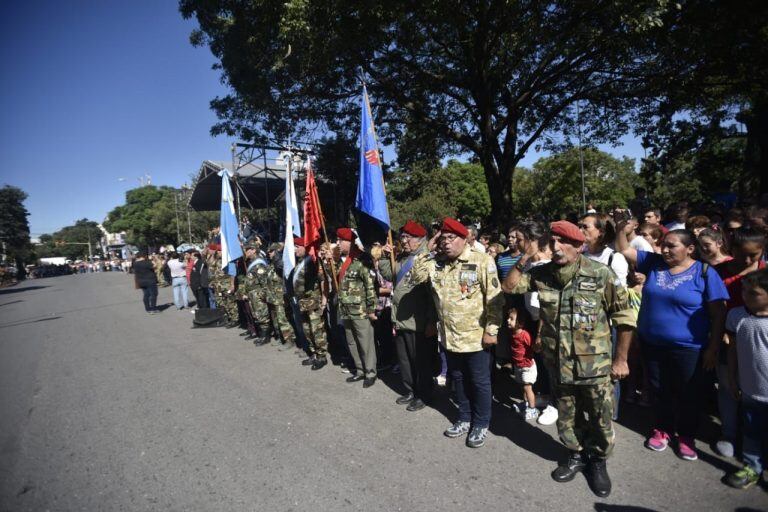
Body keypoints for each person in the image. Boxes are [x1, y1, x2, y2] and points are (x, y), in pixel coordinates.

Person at [503, 220, 635, 498]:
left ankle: (597, 462)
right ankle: (575, 454)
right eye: (552, 241)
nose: (556, 247)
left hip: (594, 364)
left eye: (563, 242)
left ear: (579, 246)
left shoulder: (601, 274)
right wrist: (525, 257)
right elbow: (510, 287)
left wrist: (621, 359)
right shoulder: (543, 273)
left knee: (600, 415)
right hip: (557, 361)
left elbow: (624, 319)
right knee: (567, 413)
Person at [615, 225, 728, 462]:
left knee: (688, 393)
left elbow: (719, 314)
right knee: (659, 389)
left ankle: (686, 436)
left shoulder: (705, 272)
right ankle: (662, 429)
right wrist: (620, 228)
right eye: (663, 244)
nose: (664, 249)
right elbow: (624, 249)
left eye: (671, 245)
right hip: (652, 344)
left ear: (689, 249)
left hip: (690, 348)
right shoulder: (654, 263)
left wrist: (713, 347)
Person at [411, 217, 504, 449]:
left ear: (464, 239)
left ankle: (481, 423)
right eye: (443, 239)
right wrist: (427, 249)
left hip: (475, 336)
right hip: (450, 336)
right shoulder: (437, 263)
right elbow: (416, 277)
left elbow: (495, 299)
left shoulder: (481, 261)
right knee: (458, 380)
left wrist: (491, 330)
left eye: (451, 238)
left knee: (480, 382)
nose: (446, 243)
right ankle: (464, 417)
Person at [713, 227, 766, 458]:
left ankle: (753, 437)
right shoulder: (717, 272)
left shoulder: (765, 274)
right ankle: (729, 433)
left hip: (759, 342)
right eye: (741, 254)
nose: (746, 260)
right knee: (728, 387)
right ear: (731, 250)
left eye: (753, 255)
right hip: (727, 339)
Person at [380, 220, 437, 412]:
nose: (403, 241)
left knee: (421, 361)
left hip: (419, 322)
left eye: (407, 237)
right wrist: (384, 257)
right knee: (405, 360)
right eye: (402, 237)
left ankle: (424, 394)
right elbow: (389, 274)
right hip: (401, 319)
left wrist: (431, 321)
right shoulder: (403, 258)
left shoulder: (426, 260)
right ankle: (411, 390)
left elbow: (433, 296)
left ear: (419, 239)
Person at [724, 268, 768, 489]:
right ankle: (752, 467)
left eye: (754, 293)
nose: (746, 296)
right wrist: (732, 378)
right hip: (750, 390)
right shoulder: (736, 316)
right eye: (744, 291)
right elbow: (732, 350)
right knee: (751, 432)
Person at [332, 228, 378, 386]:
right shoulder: (345, 260)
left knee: (365, 343)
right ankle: (360, 370)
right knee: (352, 342)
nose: (337, 244)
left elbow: (371, 287)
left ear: (348, 241)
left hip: (360, 310)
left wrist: (371, 309)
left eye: (340, 240)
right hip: (346, 309)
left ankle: (370, 372)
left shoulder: (362, 259)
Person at [293, 238, 329, 370]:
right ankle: (313, 352)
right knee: (307, 329)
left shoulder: (313, 262)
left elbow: (323, 280)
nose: (295, 249)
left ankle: (321, 356)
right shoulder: (300, 262)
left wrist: (324, 300)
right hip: (303, 302)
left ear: (305, 247)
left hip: (313, 301)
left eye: (298, 246)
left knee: (316, 329)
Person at [265, 243, 297, 350]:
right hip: (272, 297)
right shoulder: (271, 264)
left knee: (283, 319)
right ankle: (281, 337)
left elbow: (284, 268)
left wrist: (278, 258)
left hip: (280, 297)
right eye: (268, 252)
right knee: (276, 320)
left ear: (277, 252)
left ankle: (289, 340)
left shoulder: (280, 263)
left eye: (271, 251)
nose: (269, 253)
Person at [508, 307, 538, 420]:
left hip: (527, 367)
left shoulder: (524, 335)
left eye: (511, 319)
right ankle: (526, 404)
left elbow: (533, 346)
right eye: (508, 318)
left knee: (527, 387)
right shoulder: (512, 334)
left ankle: (532, 409)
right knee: (522, 387)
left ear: (519, 322)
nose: (508, 320)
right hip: (518, 366)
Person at [241, 241, 272, 345]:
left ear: (253, 250)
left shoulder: (258, 263)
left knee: (262, 315)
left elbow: (264, 282)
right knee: (257, 315)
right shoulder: (252, 262)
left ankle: (265, 337)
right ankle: (261, 334)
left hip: (258, 294)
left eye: (247, 249)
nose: (245, 252)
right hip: (253, 294)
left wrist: (262, 296)